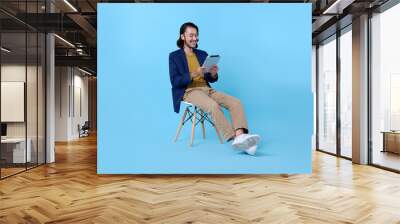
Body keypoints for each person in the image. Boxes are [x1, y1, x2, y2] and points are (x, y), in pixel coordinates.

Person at [168, 22, 260, 155]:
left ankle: (241, 137)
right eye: (191, 35)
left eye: (196, 35)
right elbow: (175, 81)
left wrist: (213, 73)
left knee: (236, 103)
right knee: (213, 106)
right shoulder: (174, 56)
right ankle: (237, 139)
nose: (195, 38)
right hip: (188, 91)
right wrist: (194, 73)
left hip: (206, 89)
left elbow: (211, 79)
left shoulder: (202, 53)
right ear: (182, 36)